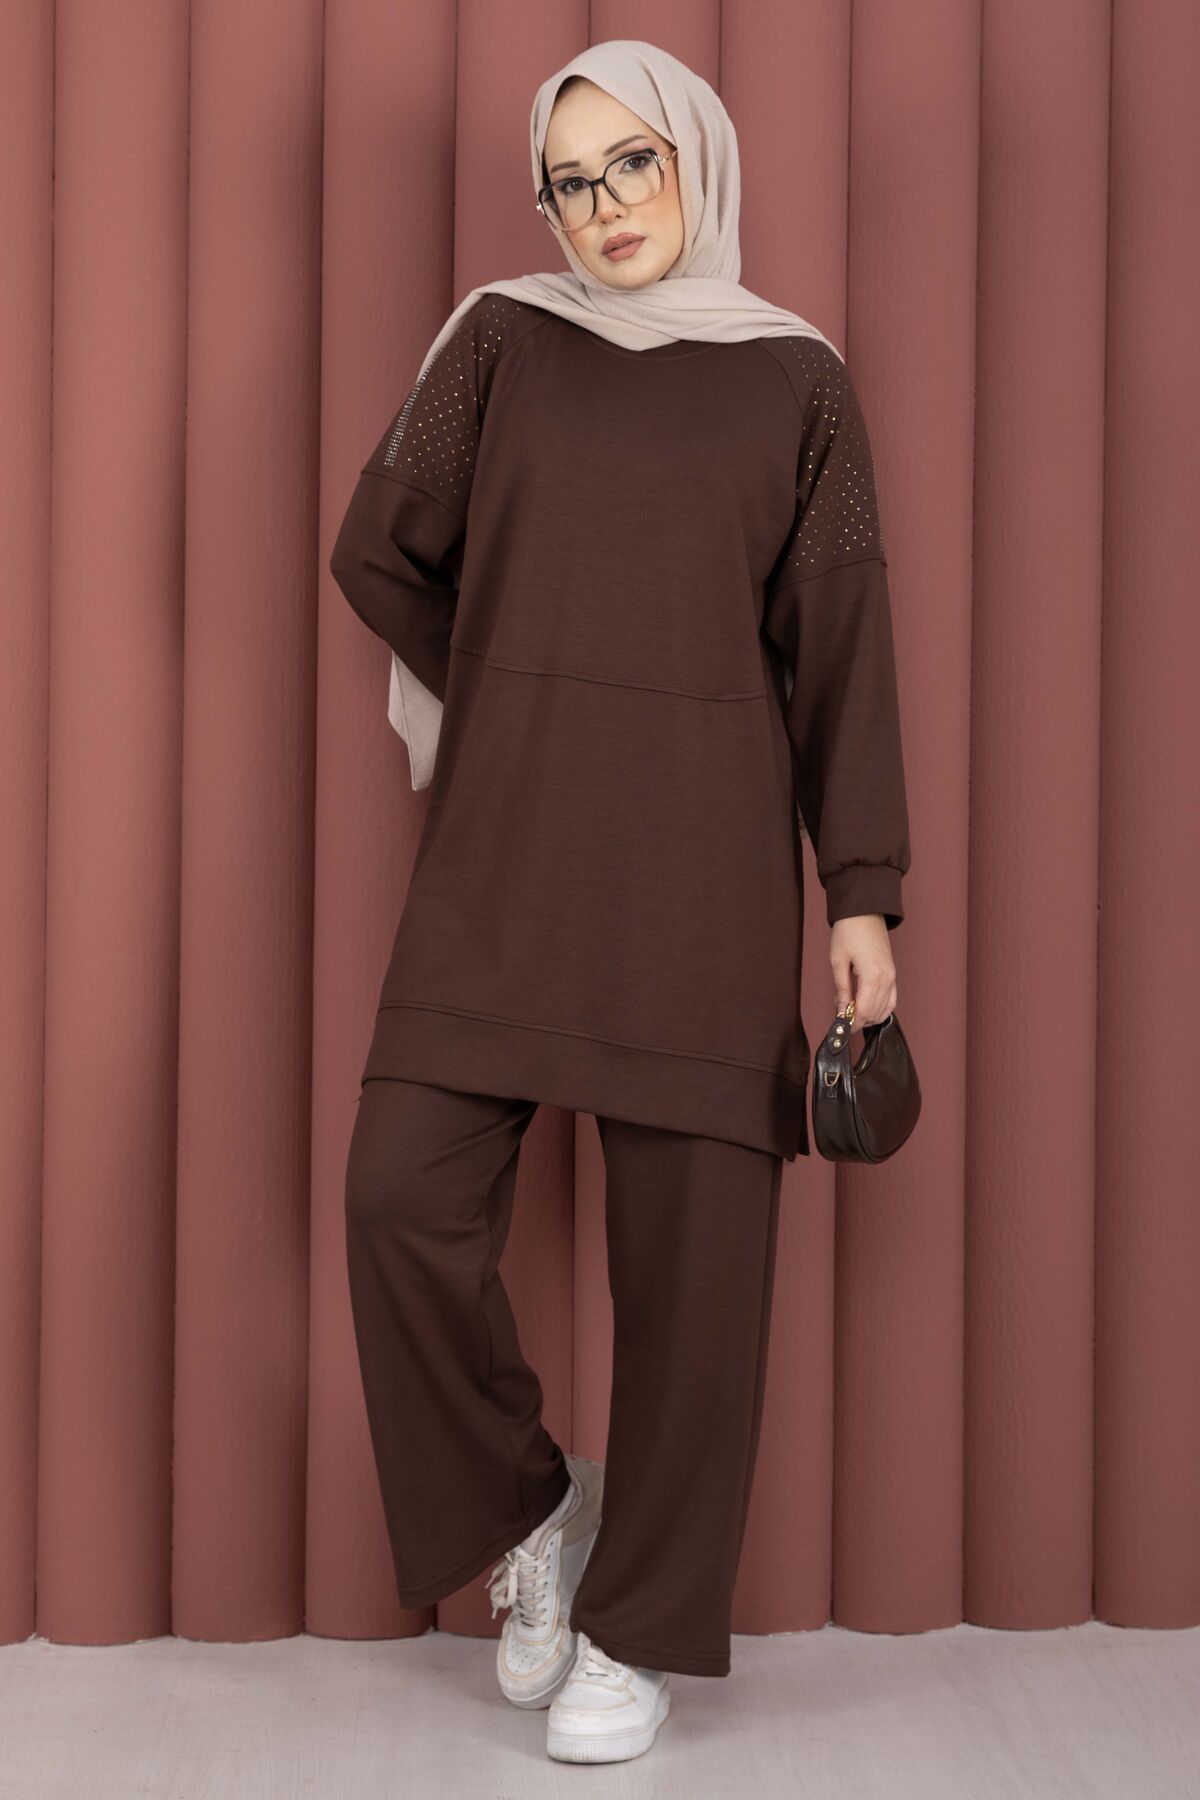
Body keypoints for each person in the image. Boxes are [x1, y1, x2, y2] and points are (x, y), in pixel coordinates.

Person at [330, 38, 911, 1767]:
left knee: (697, 1284)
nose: (605, 207)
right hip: (506, 859)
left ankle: (639, 1631)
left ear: (695, 160)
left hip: (701, 879)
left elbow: (843, 652)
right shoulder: (502, 344)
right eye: (571, 181)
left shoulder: (796, 379)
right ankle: (530, 1515)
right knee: (397, 1196)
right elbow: (376, 546)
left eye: (632, 165)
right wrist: (519, 693)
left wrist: (862, 893)